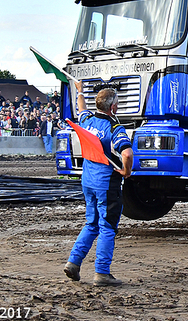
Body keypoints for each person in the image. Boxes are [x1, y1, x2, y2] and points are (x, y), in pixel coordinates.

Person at [64, 81, 133, 287]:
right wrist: (126, 171)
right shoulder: (115, 127)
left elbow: (81, 109)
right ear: (113, 107)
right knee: (107, 227)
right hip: (107, 184)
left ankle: (73, 263)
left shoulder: (87, 121)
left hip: (88, 181)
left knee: (91, 223)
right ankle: (102, 273)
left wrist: (80, 91)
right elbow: (127, 153)